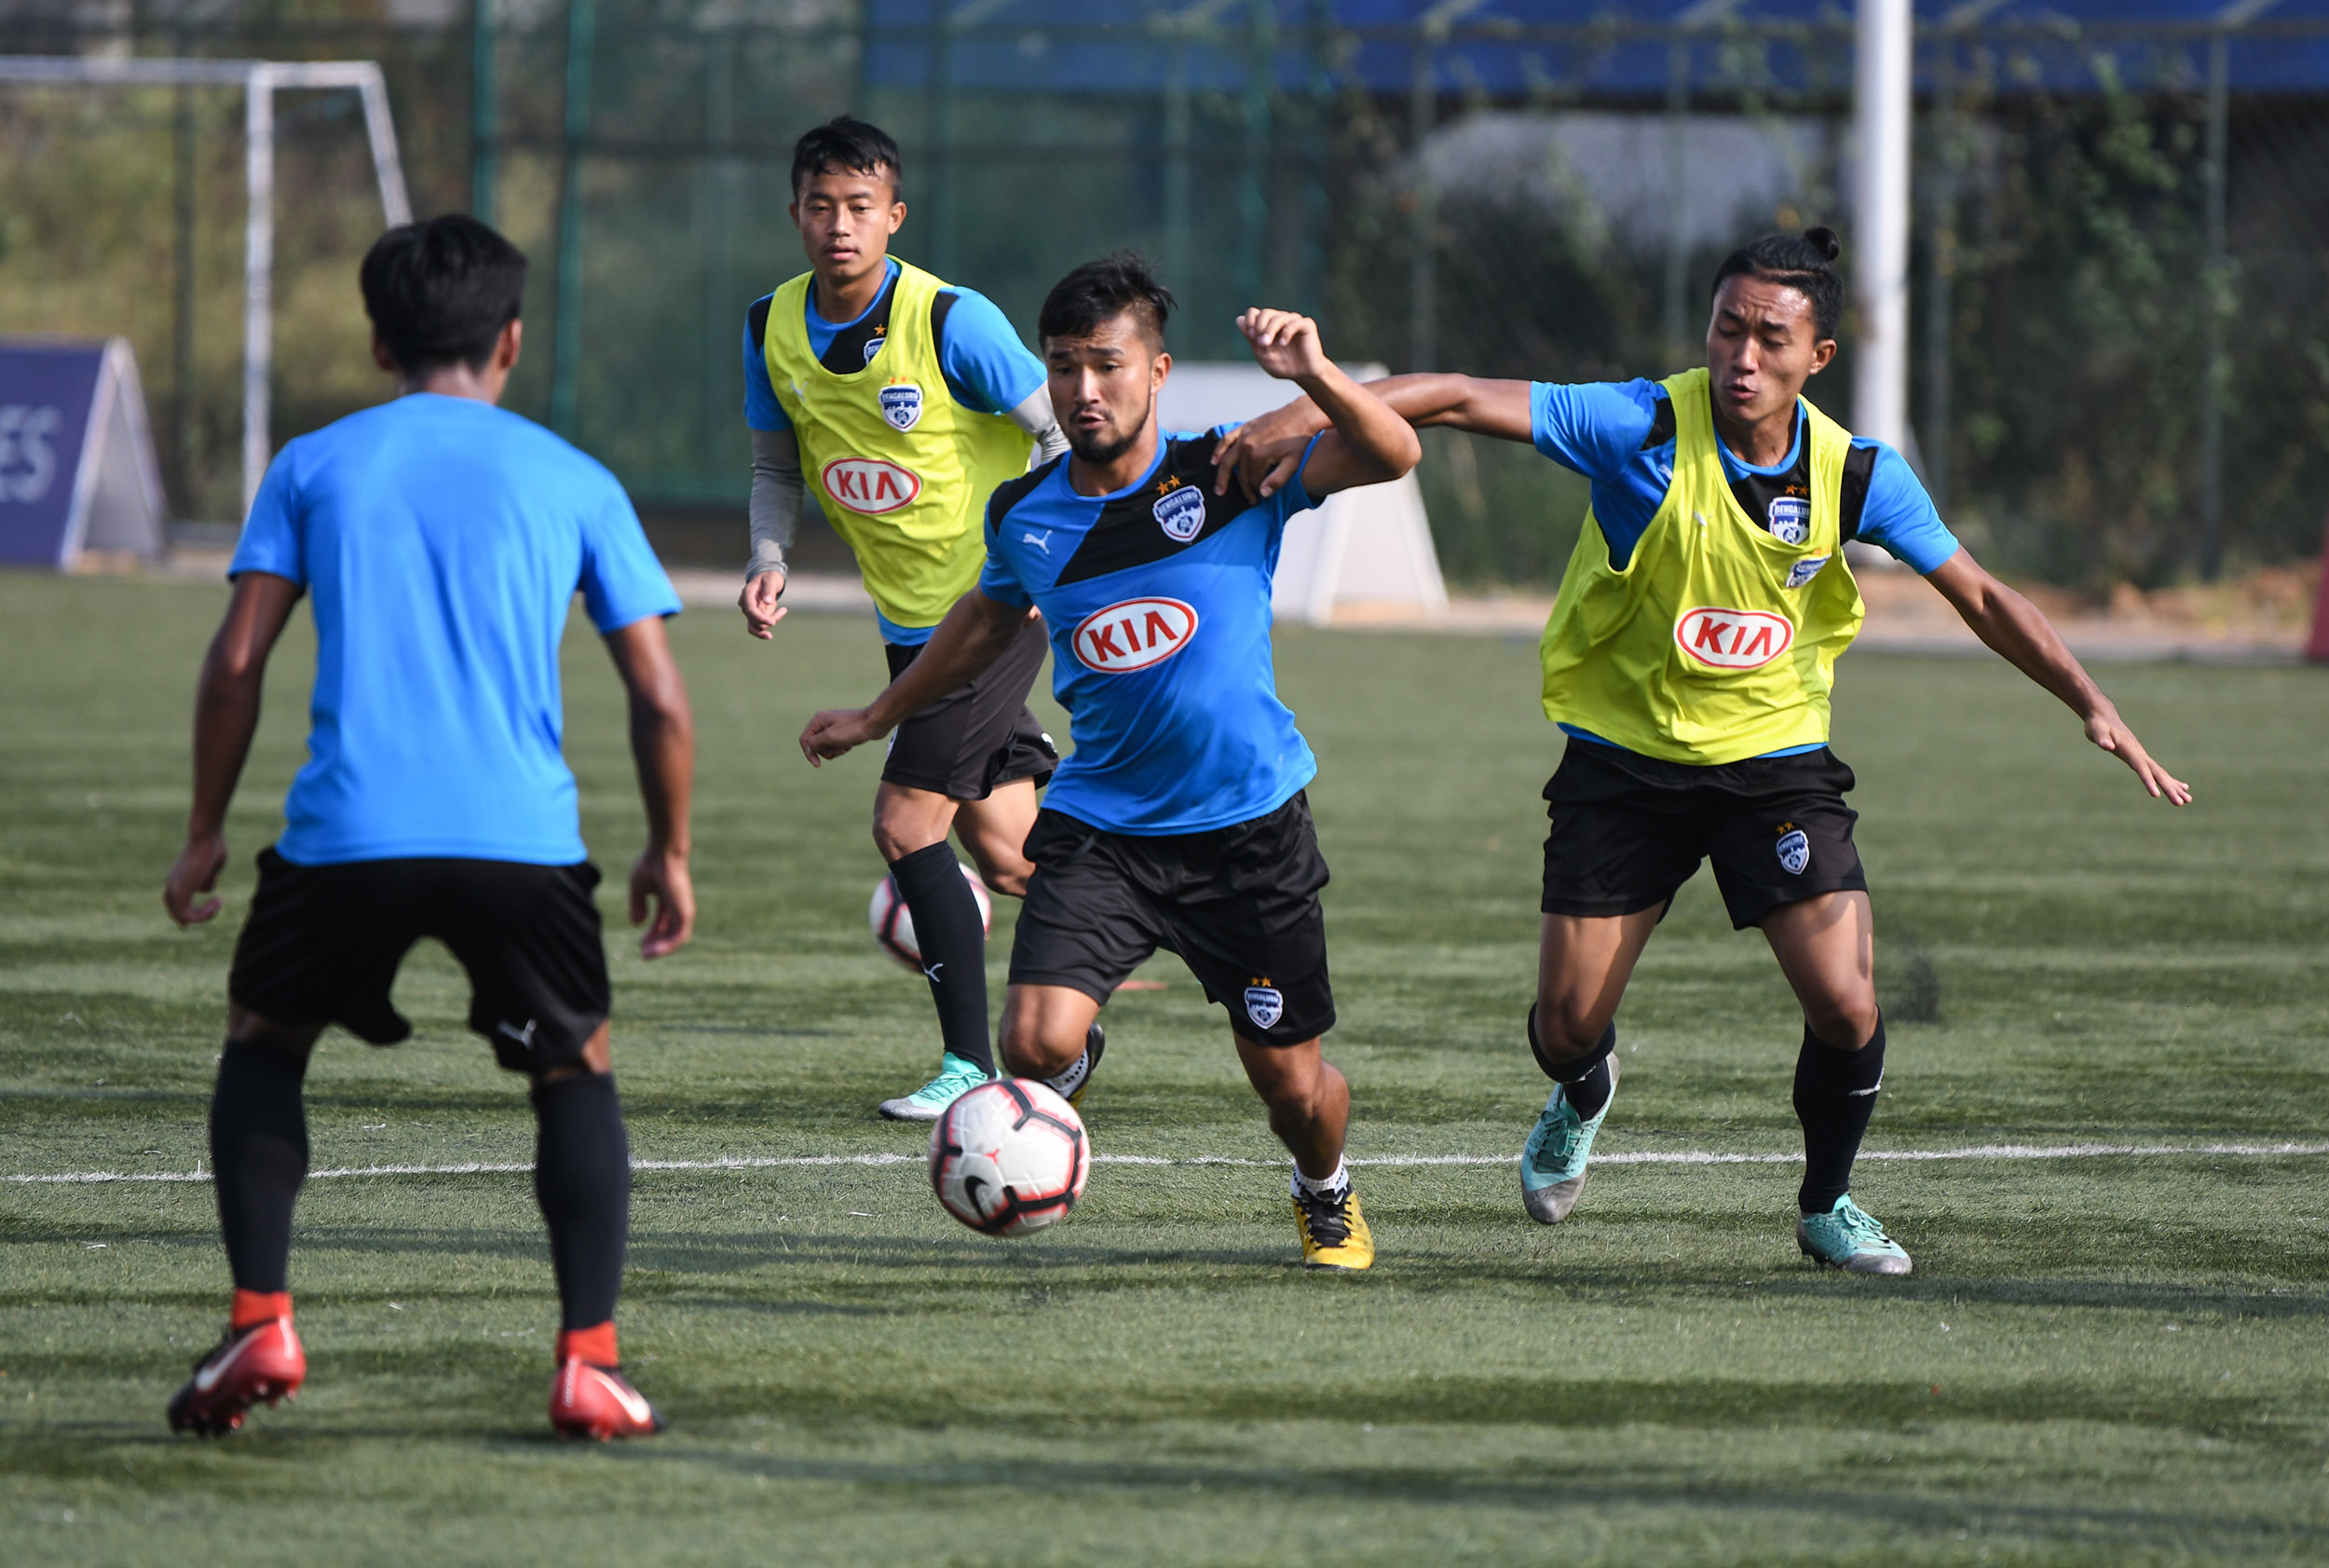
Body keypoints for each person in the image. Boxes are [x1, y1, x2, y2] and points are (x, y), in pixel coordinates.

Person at [1213, 226, 2190, 1276]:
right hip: (1623, 762)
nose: (1742, 356)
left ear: (1818, 356)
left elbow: (1984, 595)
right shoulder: (1637, 424)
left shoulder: (1856, 473)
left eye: (1771, 338)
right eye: (1728, 329)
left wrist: (2090, 701)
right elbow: (1450, 397)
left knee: (1847, 1001)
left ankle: (1827, 1204)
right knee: (1564, 1026)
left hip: (1774, 765)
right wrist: (1298, 402)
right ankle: (1585, 1085)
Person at [159, 214, 694, 1439]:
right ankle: (589, 1360)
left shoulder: (312, 464)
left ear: (377, 342)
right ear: (511, 341)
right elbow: (661, 696)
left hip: (345, 836)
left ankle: (261, 1319)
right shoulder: (575, 476)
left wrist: (202, 829)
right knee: (574, 1067)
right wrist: (668, 850)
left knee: (264, 1043)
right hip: (523, 845)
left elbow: (235, 663)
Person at [799, 253, 1421, 1270]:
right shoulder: (1027, 513)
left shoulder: (1231, 472)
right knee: (1034, 1042)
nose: (1083, 389)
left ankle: (1325, 1190)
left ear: (1157, 371)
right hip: (1106, 830)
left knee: (1293, 1089)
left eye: (1106, 364)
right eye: (1063, 366)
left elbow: (1394, 452)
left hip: (1247, 832)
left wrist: (1314, 376)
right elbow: (981, 624)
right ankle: (1063, 1077)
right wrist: (877, 717)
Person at [739, 116, 1071, 1122]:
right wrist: (768, 558)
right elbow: (775, 467)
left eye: (860, 206)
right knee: (1010, 856)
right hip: (908, 625)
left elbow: (1060, 438)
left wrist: (1035, 563)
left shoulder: (951, 320)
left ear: (895, 215)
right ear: (795, 213)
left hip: (990, 615)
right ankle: (1162, 918)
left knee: (903, 823)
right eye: (821, 206)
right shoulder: (769, 327)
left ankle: (970, 1065)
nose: (839, 226)